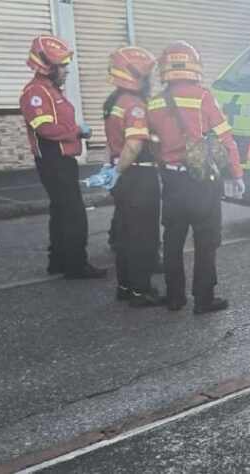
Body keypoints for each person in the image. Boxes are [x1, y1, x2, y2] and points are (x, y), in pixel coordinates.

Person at [147, 42, 245, 314]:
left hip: (171, 179)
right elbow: (226, 139)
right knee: (206, 239)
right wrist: (237, 173)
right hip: (200, 179)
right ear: (193, 67)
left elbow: (152, 142)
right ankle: (203, 300)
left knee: (173, 239)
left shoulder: (154, 101)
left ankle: (175, 297)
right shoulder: (203, 97)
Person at [20, 35, 106, 280]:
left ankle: (58, 260)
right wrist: (77, 131)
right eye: (63, 66)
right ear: (48, 66)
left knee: (60, 212)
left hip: (60, 160)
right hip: (53, 160)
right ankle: (76, 264)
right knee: (73, 214)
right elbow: (44, 129)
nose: (67, 71)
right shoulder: (36, 92)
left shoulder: (49, 90)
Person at [102, 46, 165, 307]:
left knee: (126, 235)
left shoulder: (113, 101)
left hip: (124, 177)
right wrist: (120, 170)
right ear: (138, 75)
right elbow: (134, 145)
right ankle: (141, 291)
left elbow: (112, 143)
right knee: (142, 236)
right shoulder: (135, 106)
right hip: (138, 176)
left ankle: (125, 286)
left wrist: (113, 171)